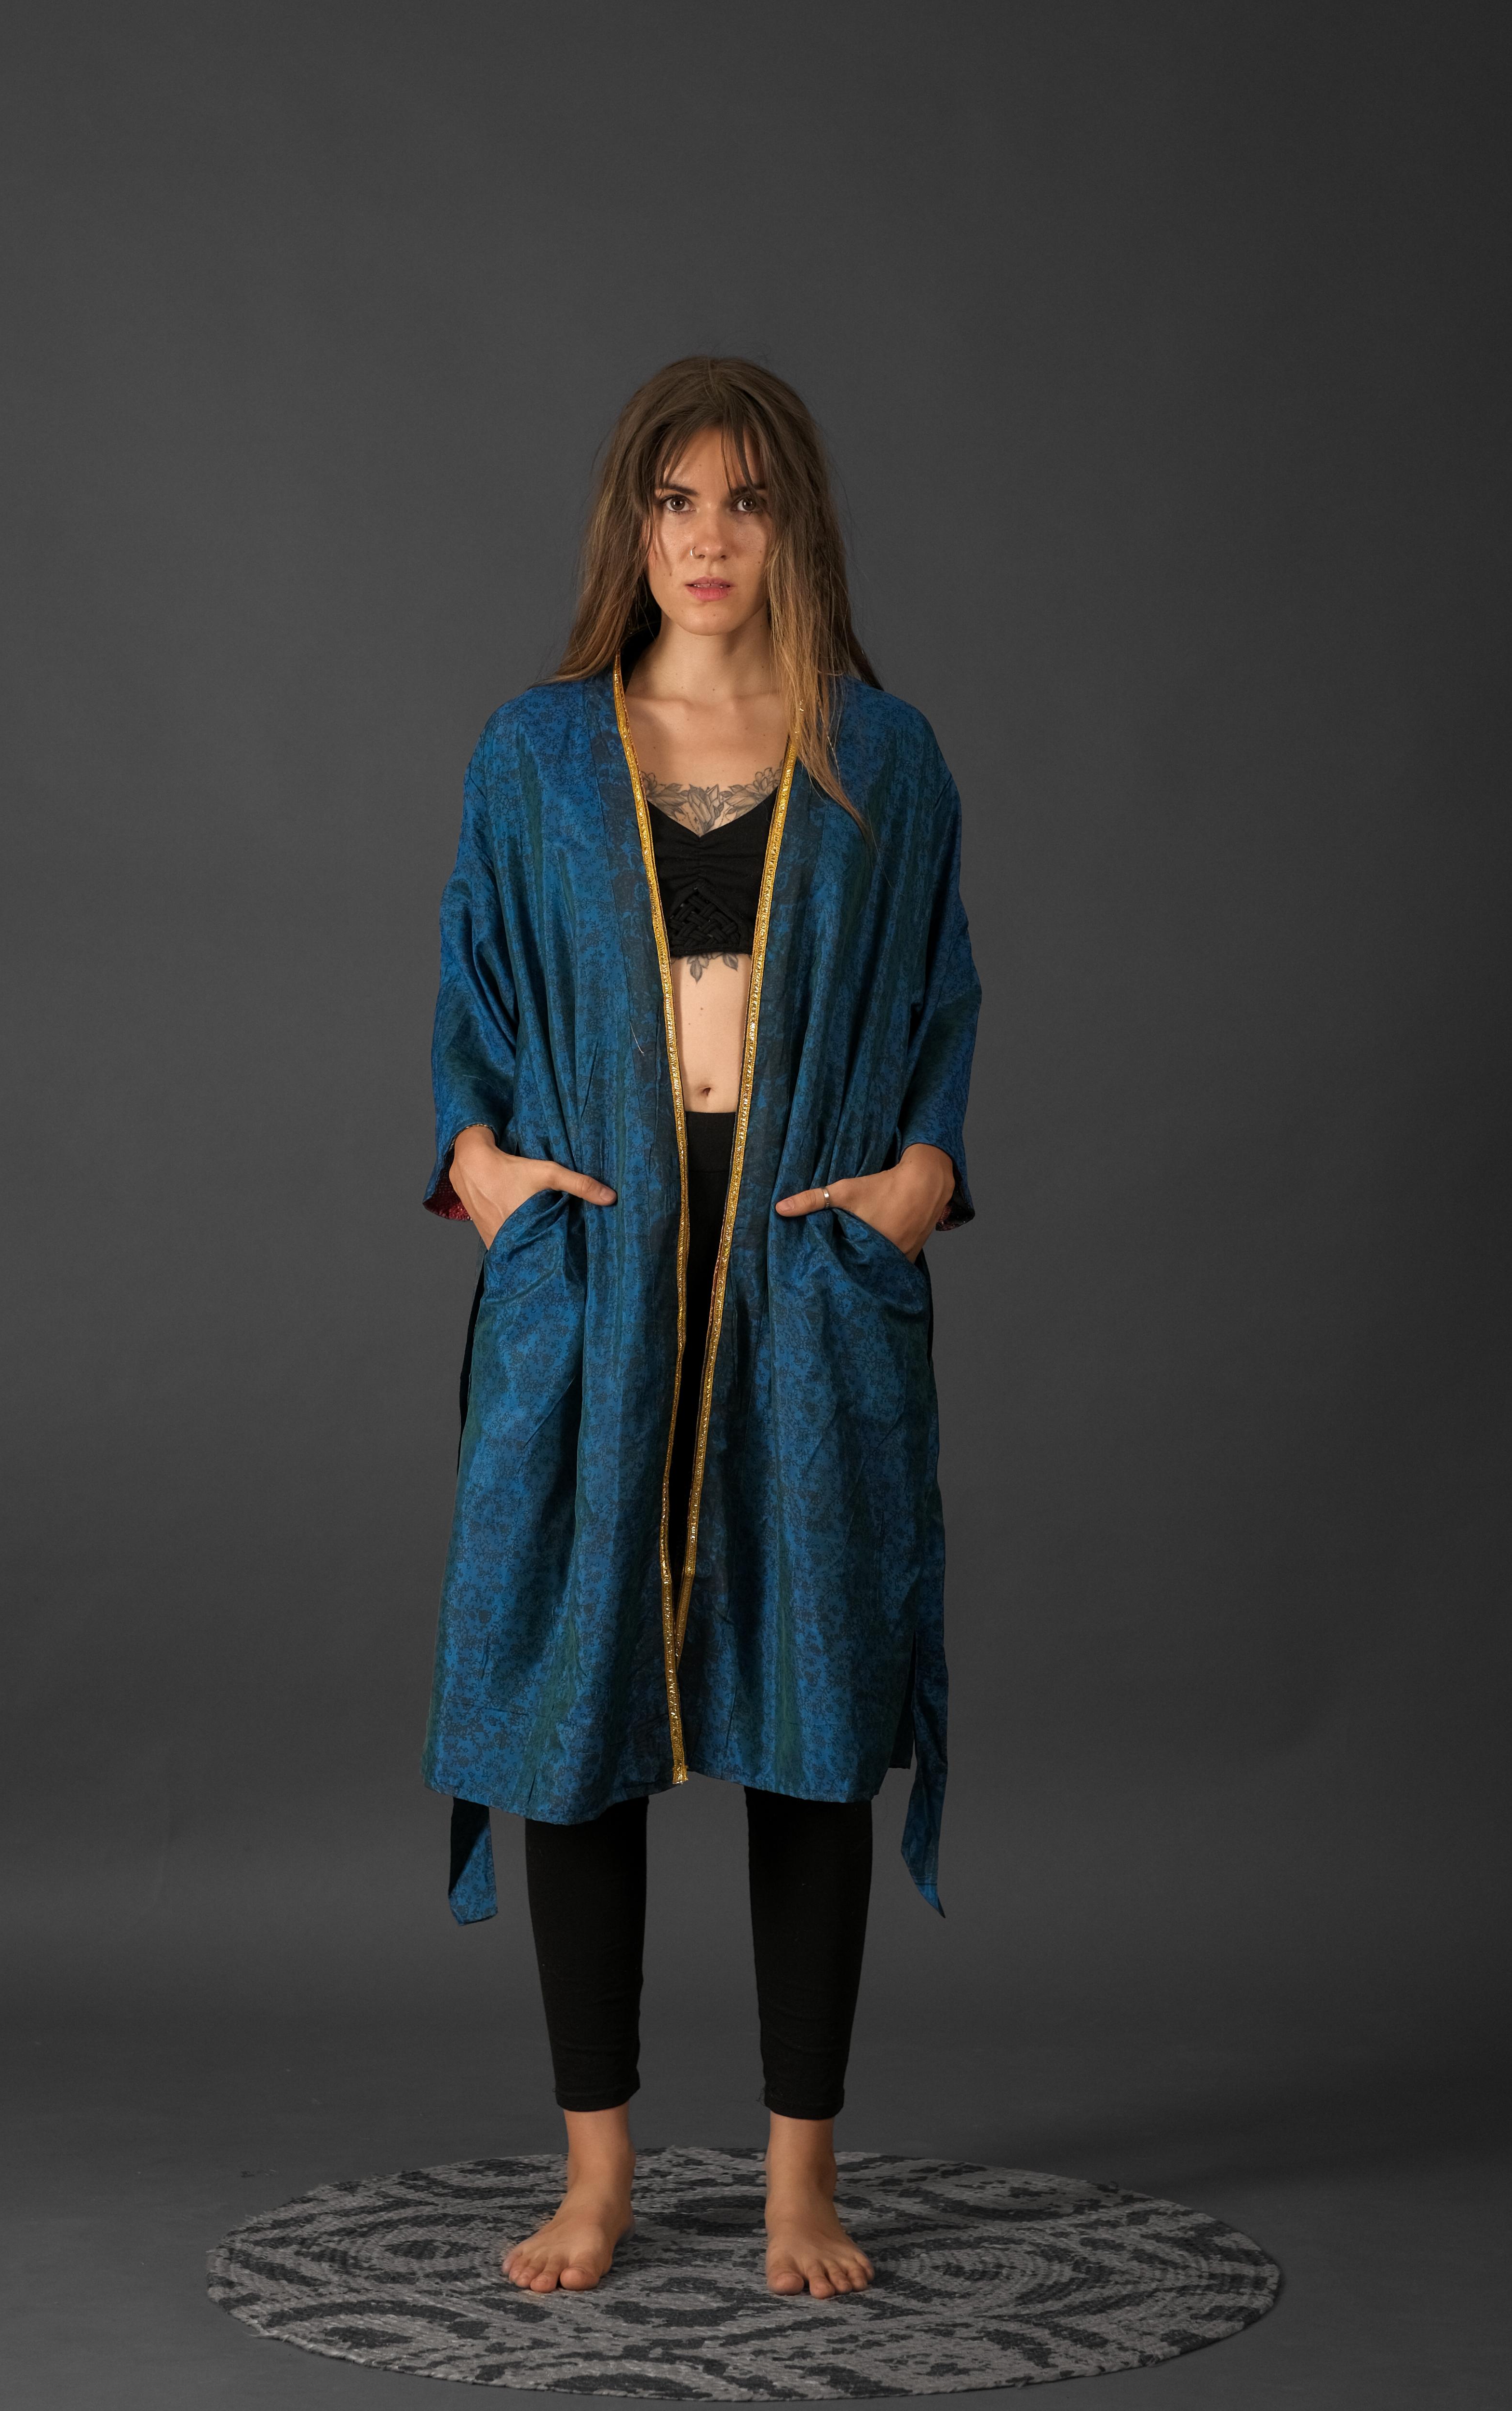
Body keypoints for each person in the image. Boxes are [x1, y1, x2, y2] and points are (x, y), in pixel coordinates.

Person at [422, 357, 980, 2300]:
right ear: (633, 525)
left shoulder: (884, 756)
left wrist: (922, 1177)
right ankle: (599, 2175)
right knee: (575, 1720)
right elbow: (469, 989)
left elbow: (944, 996)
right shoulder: (536, 753)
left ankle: (799, 2183)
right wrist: (482, 1164)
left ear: (792, 522)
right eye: (676, 500)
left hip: (808, 1296)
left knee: (819, 1728)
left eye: (746, 499)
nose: (711, 537)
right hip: (595, 1294)